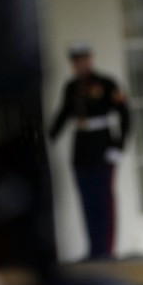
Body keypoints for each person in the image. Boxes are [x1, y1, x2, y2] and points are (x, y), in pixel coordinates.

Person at [49, 44, 131, 260]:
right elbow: (64, 115)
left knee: (103, 201)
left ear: (90, 60)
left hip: (103, 147)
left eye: (83, 59)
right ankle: (94, 249)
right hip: (82, 149)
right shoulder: (71, 86)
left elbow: (125, 115)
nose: (79, 64)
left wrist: (118, 147)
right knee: (87, 201)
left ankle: (106, 250)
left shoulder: (107, 83)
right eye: (76, 61)